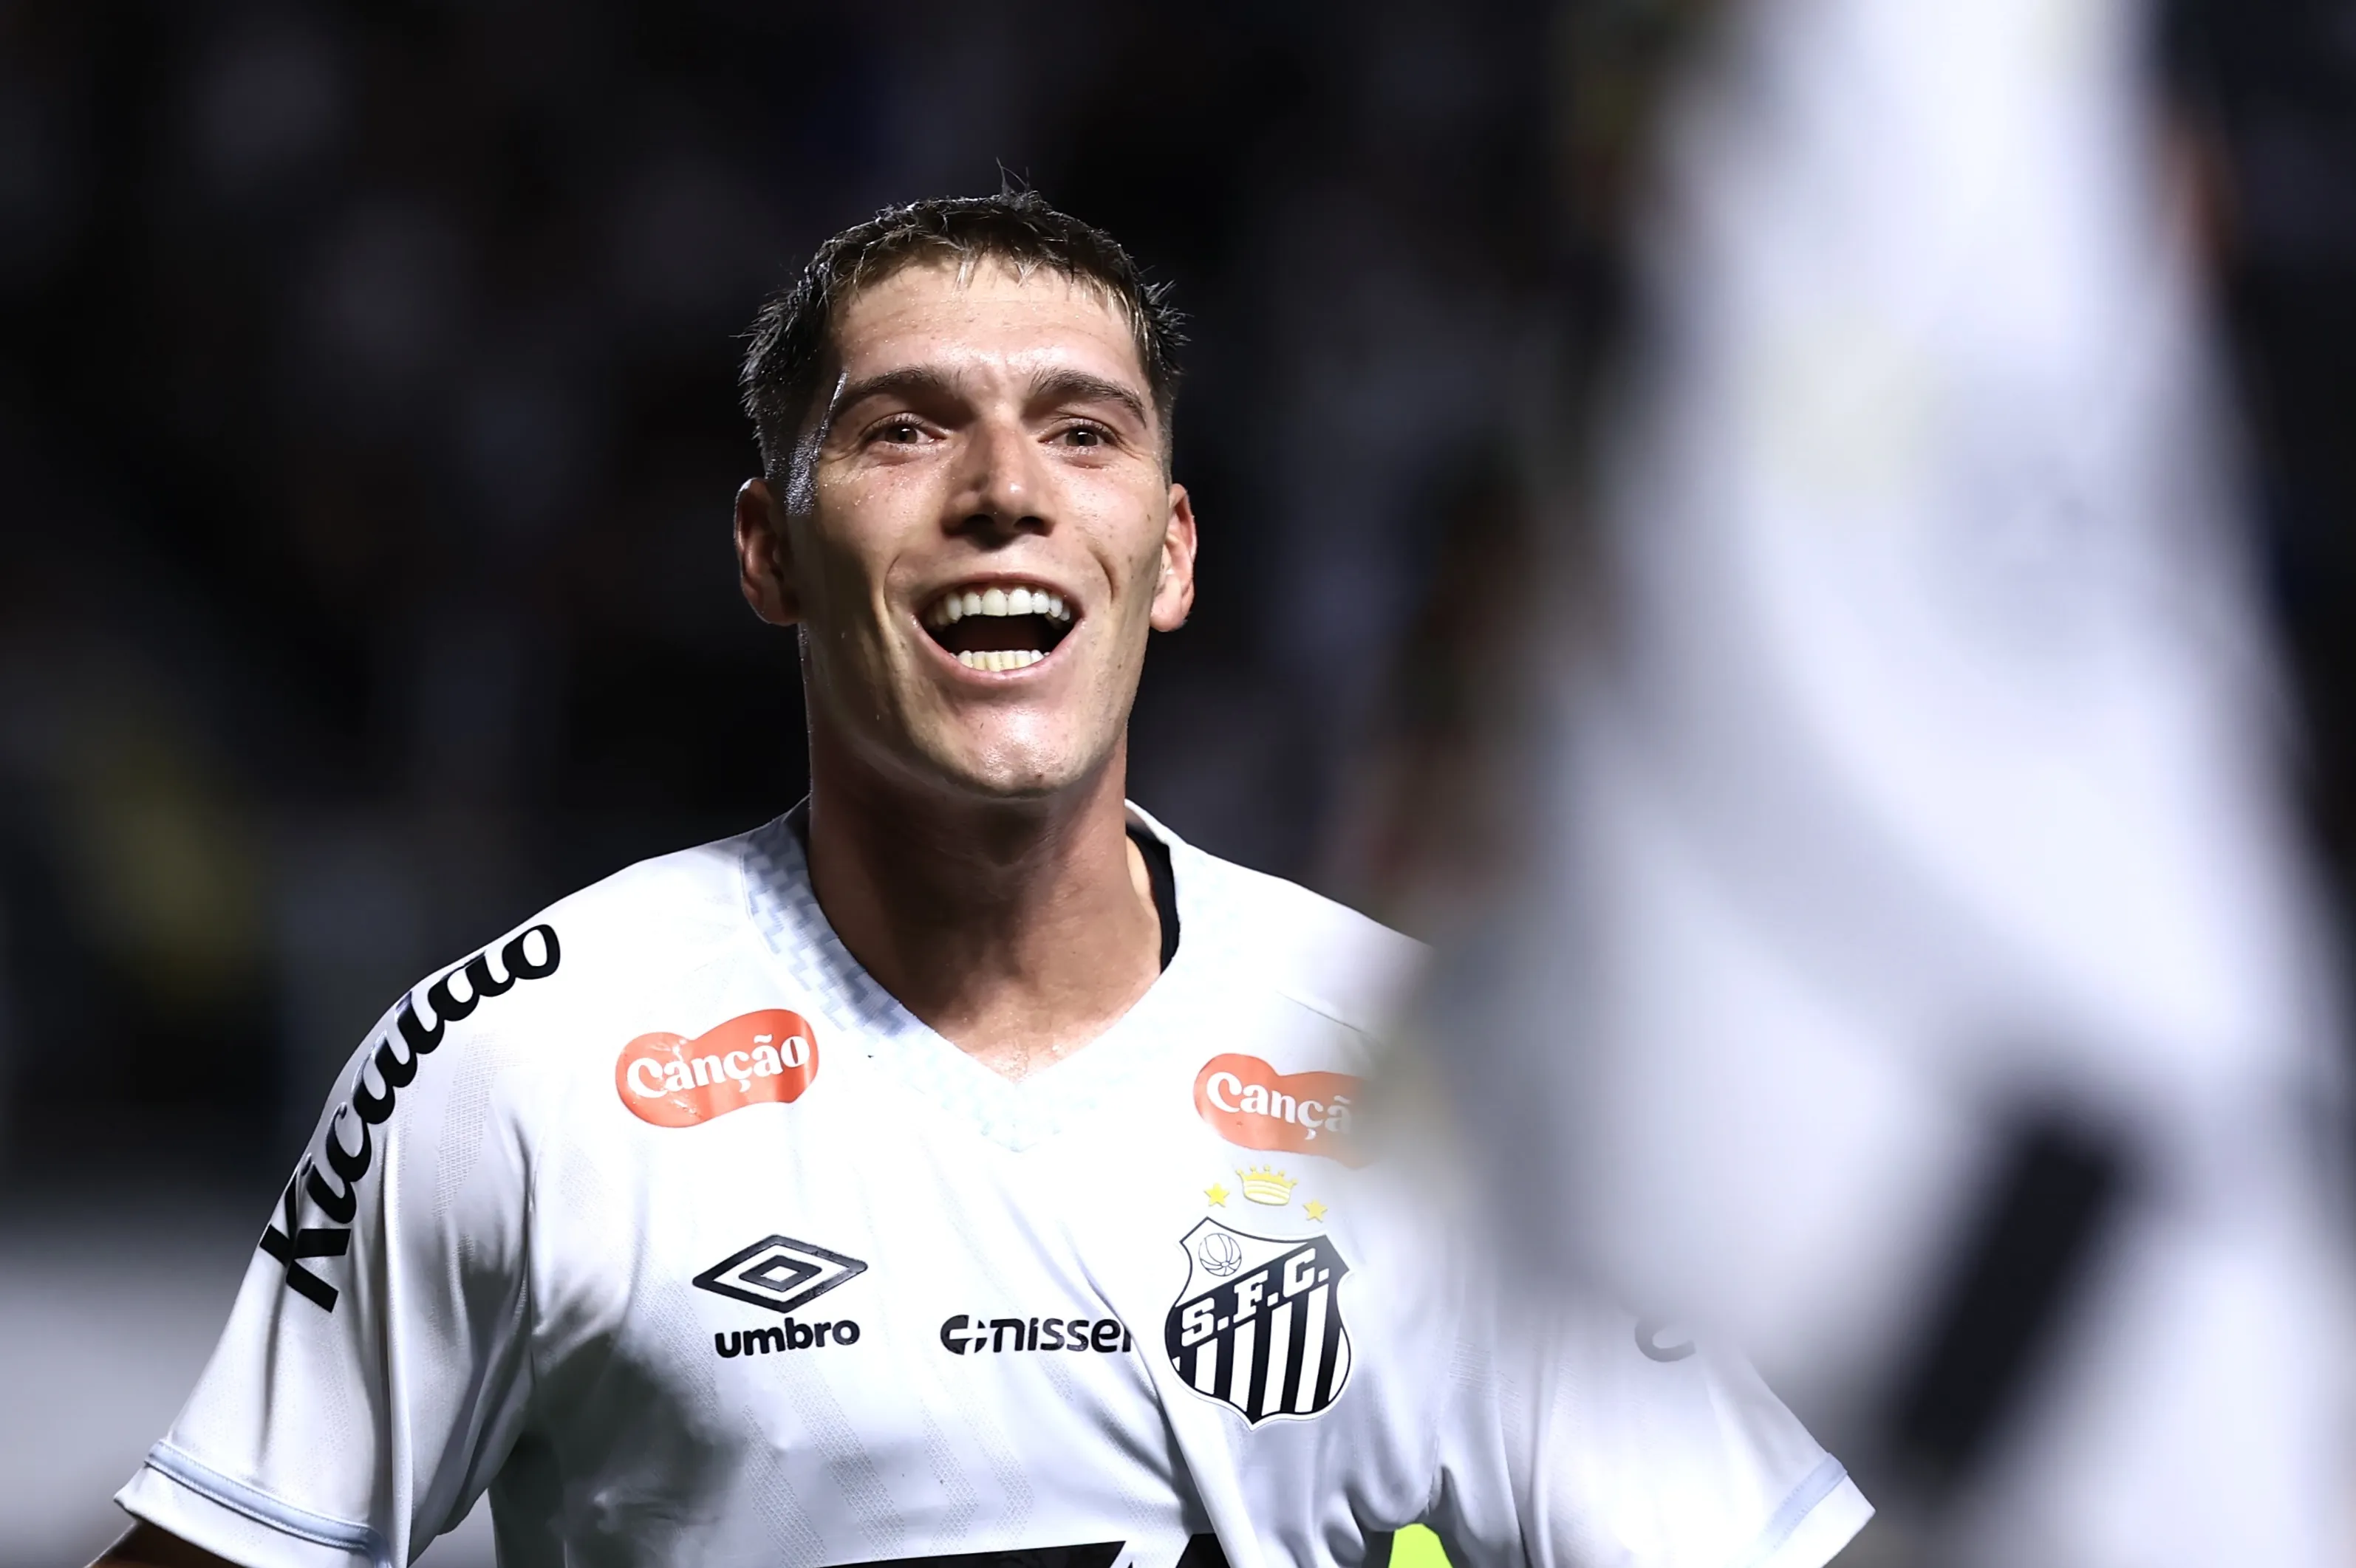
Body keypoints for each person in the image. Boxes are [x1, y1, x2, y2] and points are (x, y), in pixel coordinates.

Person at [93, 191, 1869, 1568]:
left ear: (1166, 556)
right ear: (768, 550)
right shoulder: (521, 1065)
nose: (1004, 488)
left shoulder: (1437, 1083)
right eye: (903, 430)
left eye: (1084, 431)